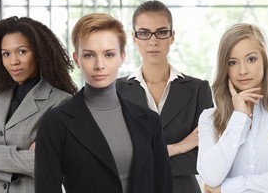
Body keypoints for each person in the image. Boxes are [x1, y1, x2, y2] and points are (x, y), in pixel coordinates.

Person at [34, 12, 172, 193]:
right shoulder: (55, 123)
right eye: (89, 55)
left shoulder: (149, 121)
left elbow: (163, 187)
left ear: (122, 57)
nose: (99, 64)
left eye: (109, 54)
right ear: (77, 59)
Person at [197, 23, 268, 192]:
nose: (242, 70)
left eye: (251, 59)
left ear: (264, 60)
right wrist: (239, 118)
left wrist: (226, 189)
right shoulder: (209, 118)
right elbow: (211, 177)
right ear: (224, 68)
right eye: (232, 62)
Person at [116, 0, 213, 193]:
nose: (153, 41)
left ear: (172, 37)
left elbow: (205, 157)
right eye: (144, 33)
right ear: (134, 39)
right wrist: (181, 146)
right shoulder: (116, 91)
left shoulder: (197, 89)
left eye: (161, 32)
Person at [0, 16, 77, 193]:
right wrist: (15, 167)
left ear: (39, 52)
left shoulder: (61, 101)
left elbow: (44, 163)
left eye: (21, 51)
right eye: (6, 54)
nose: (13, 61)